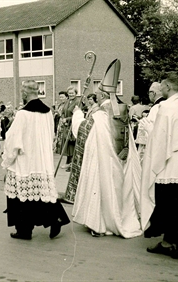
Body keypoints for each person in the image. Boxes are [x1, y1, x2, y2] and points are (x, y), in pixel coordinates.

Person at [67, 89, 141, 238]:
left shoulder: (99, 115)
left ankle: (101, 222)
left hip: (103, 162)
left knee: (102, 186)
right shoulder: (121, 112)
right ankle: (123, 216)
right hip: (120, 160)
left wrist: (77, 114)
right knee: (120, 188)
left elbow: (82, 130)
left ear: (102, 96)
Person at [2, 80, 70, 240]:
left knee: (21, 196)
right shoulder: (47, 112)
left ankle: (24, 231)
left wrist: (7, 159)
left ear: (25, 93)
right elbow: (51, 135)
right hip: (41, 158)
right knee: (41, 193)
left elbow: (13, 139)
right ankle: (56, 219)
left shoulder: (23, 113)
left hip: (25, 159)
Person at [141, 72, 178, 259]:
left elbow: (160, 136)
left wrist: (148, 129)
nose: (160, 88)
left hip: (167, 161)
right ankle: (174, 238)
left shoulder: (165, 107)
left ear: (169, 87)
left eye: (162, 86)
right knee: (177, 199)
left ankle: (173, 239)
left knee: (166, 201)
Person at [135, 82, 166, 163]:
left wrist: (141, 123)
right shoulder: (166, 105)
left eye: (149, 93)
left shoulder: (156, 107)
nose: (149, 95)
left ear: (153, 93)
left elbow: (149, 128)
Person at [58, 86, 79, 172]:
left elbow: (77, 114)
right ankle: (68, 162)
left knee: (72, 145)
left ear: (75, 93)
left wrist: (67, 119)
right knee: (68, 145)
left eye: (72, 93)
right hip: (66, 126)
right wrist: (63, 119)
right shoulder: (67, 102)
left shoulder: (78, 102)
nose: (71, 94)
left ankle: (73, 165)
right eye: (69, 93)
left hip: (73, 125)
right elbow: (63, 112)